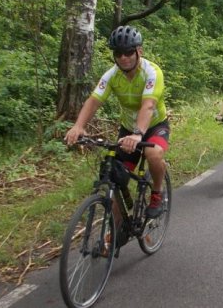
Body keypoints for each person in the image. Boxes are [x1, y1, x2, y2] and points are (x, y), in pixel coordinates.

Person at [64, 25, 169, 219]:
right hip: (128, 129)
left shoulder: (152, 72)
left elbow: (148, 105)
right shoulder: (112, 75)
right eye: (118, 53)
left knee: (153, 153)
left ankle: (157, 193)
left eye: (129, 52)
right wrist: (79, 126)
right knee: (112, 176)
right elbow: (94, 100)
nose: (123, 57)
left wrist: (138, 134)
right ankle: (116, 232)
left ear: (139, 51)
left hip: (154, 126)